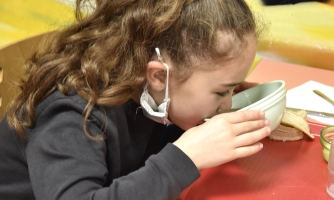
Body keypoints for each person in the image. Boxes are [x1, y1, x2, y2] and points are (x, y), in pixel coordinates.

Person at [0, 0, 271, 199]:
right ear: (159, 77)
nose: (227, 104)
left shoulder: (151, 92)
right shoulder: (70, 113)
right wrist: (184, 158)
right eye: (222, 92)